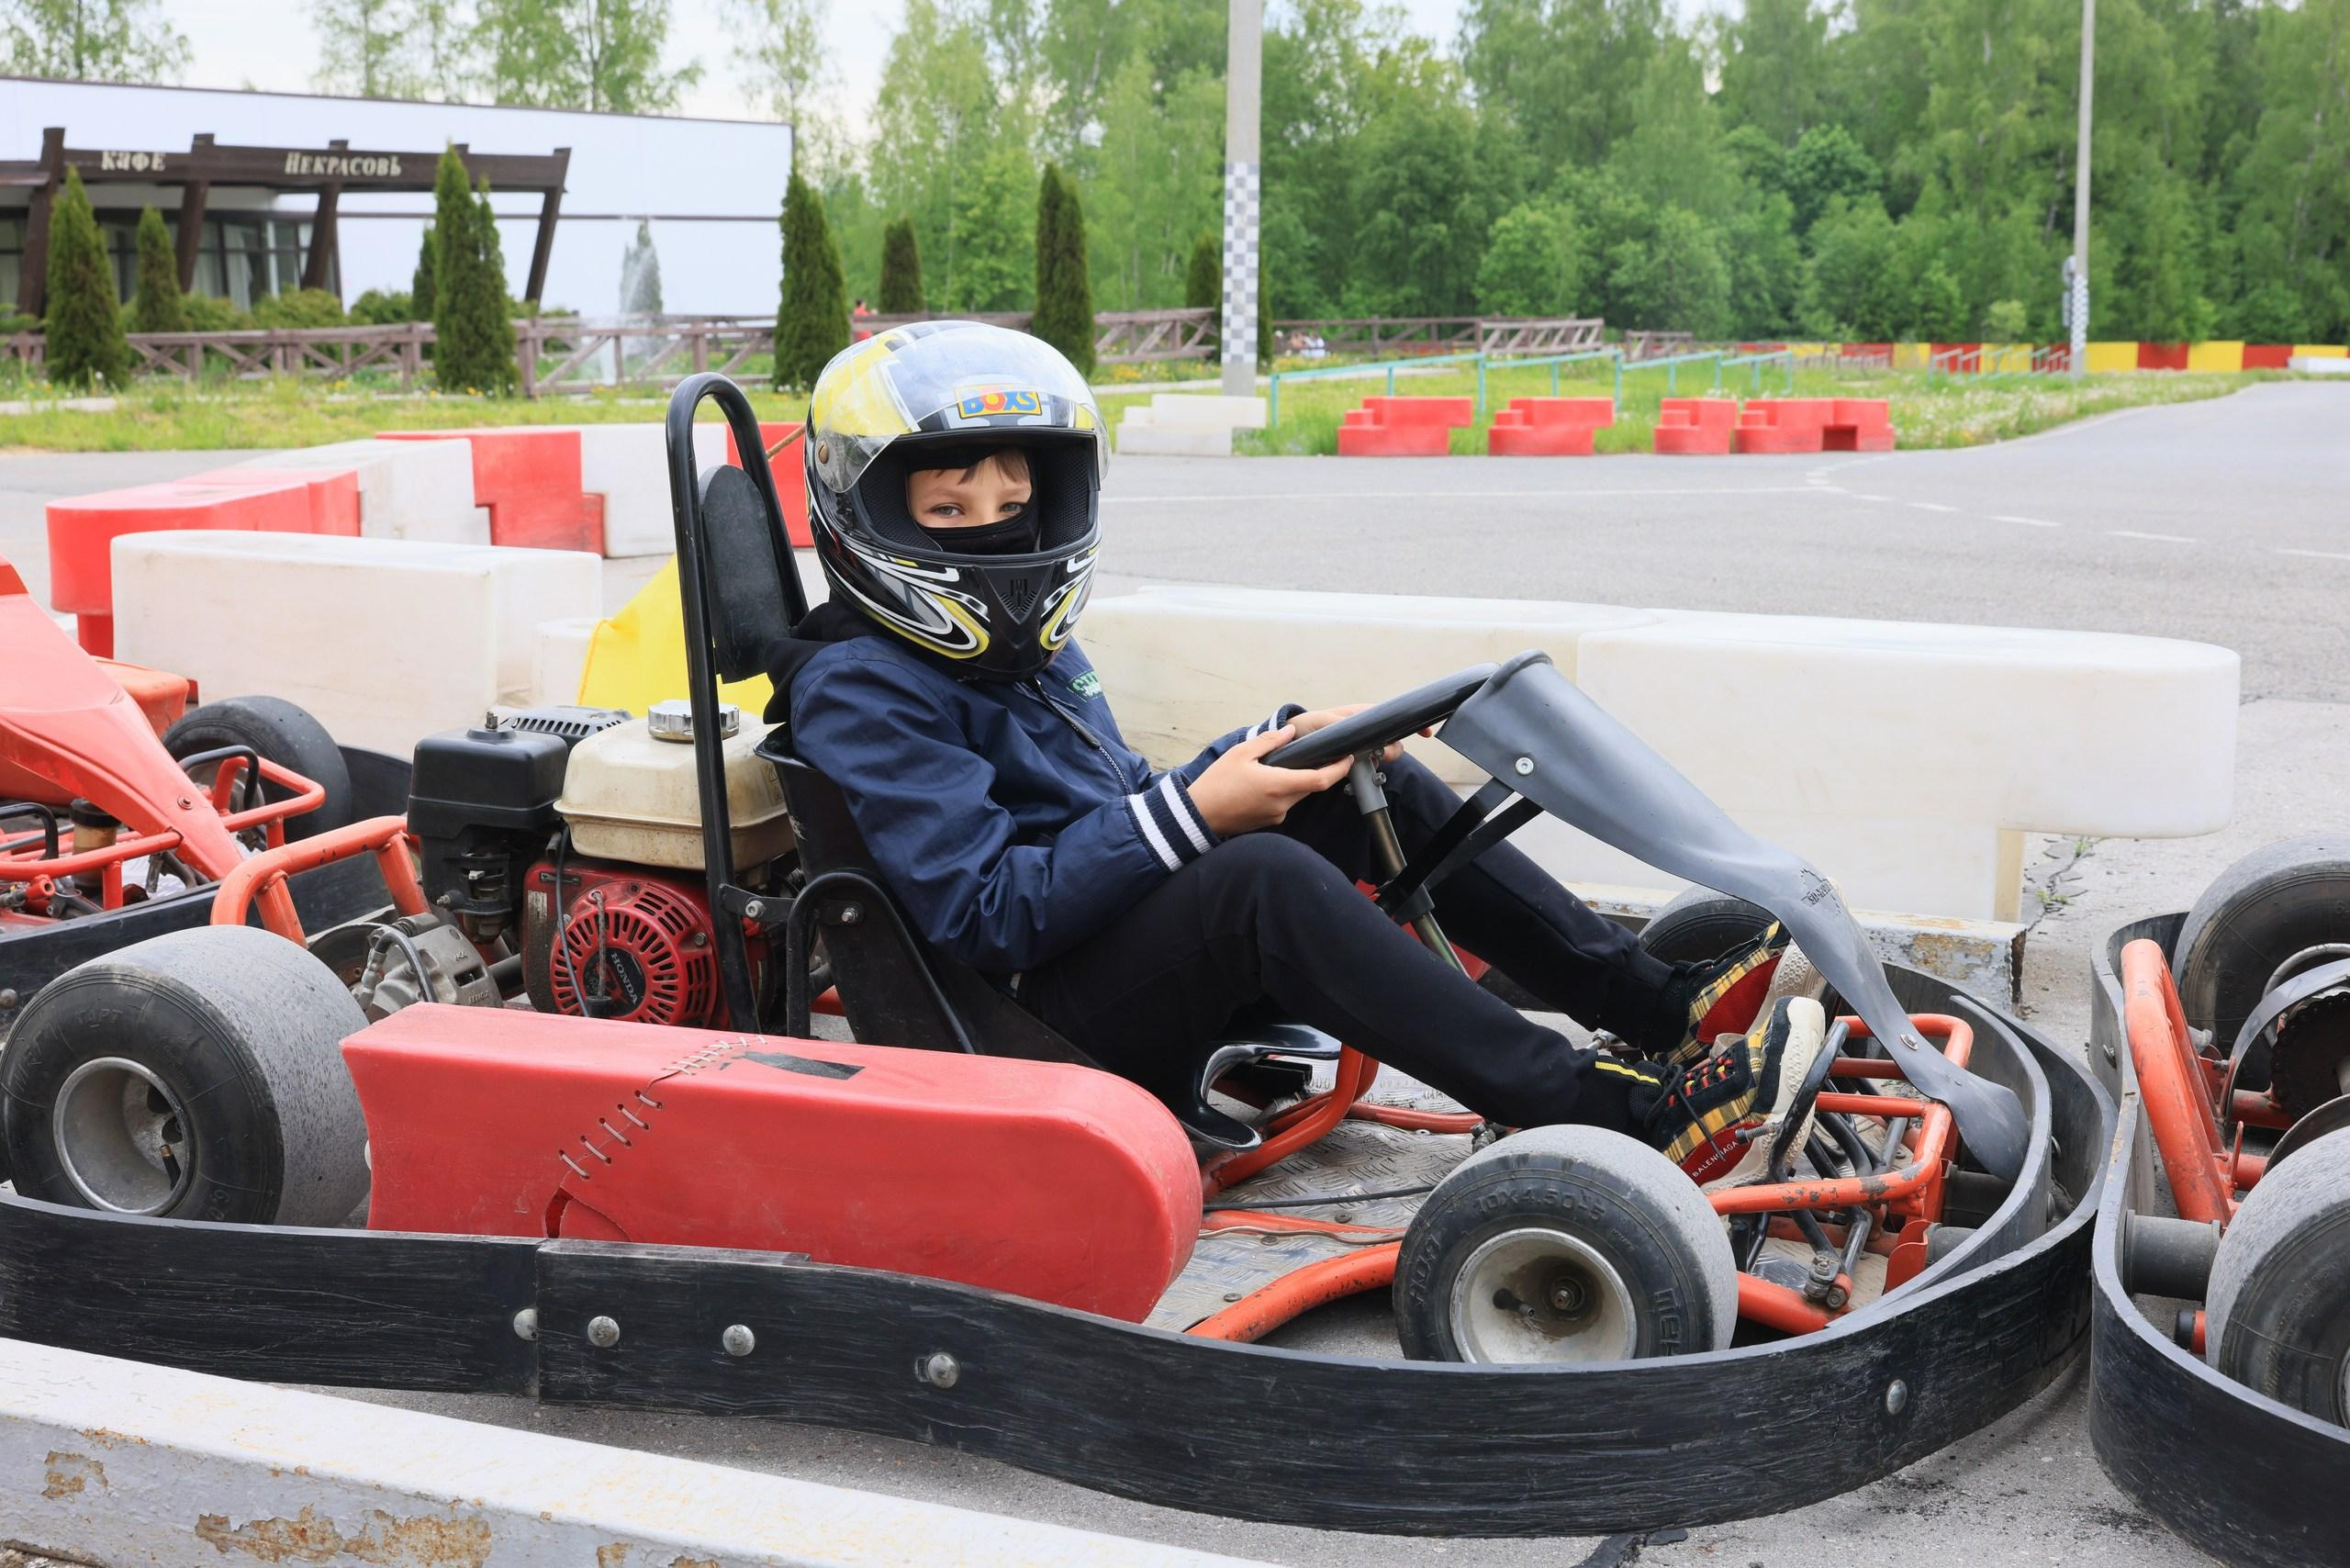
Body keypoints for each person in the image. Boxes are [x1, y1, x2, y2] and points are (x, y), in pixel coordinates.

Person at [771, 320, 1823, 1187]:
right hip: (1023, 1019)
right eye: (949, 511)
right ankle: (1611, 1115)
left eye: (1010, 508)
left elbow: (1115, 799)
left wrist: (1275, 751)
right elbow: (990, 911)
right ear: (867, 511)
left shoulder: (1024, 654)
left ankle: (1657, 1006)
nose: (991, 535)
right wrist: (1198, 813)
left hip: (1092, 955)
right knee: (1257, 884)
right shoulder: (864, 687)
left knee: (1355, 777)